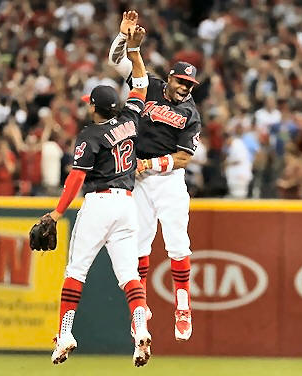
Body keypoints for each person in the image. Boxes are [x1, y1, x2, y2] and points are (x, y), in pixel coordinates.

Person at [45, 26, 151, 367]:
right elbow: (140, 84)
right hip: (127, 205)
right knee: (129, 275)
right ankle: (140, 328)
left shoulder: (89, 135)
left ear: (94, 107)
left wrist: (56, 213)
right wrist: (134, 51)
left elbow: (76, 178)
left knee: (76, 271)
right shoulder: (130, 119)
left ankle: (65, 334)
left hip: (100, 203)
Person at [108, 11, 201, 341]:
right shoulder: (149, 85)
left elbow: (184, 158)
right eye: (181, 82)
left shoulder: (190, 113)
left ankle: (183, 306)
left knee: (177, 243)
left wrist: (149, 165)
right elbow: (117, 61)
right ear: (170, 78)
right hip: (140, 179)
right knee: (139, 244)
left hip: (167, 179)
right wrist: (124, 38)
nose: (185, 88)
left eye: (190, 85)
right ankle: (141, 307)